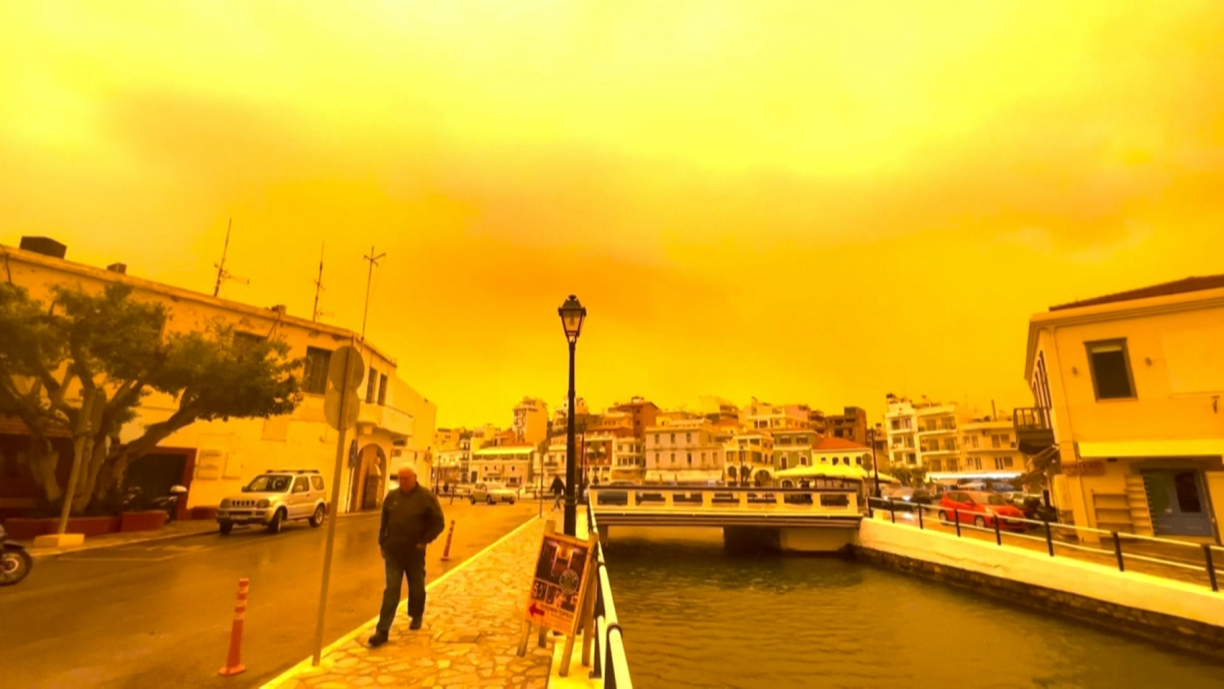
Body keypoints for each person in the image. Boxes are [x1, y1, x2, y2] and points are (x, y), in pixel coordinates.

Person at [369, 466, 445, 647]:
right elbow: (384, 522)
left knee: (417, 586)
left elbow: (438, 522)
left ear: (414, 478)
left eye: (406, 479)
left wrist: (424, 540)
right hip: (393, 552)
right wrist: (382, 543)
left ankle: (416, 614)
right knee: (391, 590)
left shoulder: (426, 498)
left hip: (414, 552)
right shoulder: (392, 498)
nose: (402, 482)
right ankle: (383, 630)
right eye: (400, 479)